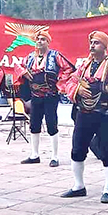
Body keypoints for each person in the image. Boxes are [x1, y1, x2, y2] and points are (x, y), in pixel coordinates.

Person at [60, 31, 108, 204]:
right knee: (77, 149)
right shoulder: (84, 64)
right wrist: (77, 90)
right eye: (91, 42)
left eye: (97, 43)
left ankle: (107, 189)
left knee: (107, 151)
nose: (92, 45)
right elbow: (70, 82)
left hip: (105, 114)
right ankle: (79, 186)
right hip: (84, 113)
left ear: (105, 47)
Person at [18, 30, 74, 167]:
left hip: (50, 95)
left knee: (51, 124)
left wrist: (60, 82)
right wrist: (23, 72)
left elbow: (69, 68)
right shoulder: (30, 57)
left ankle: (55, 156)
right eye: (38, 39)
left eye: (43, 39)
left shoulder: (55, 56)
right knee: (34, 124)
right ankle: (34, 155)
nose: (39, 42)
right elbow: (18, 66)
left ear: (48, 42)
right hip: (35, 95)